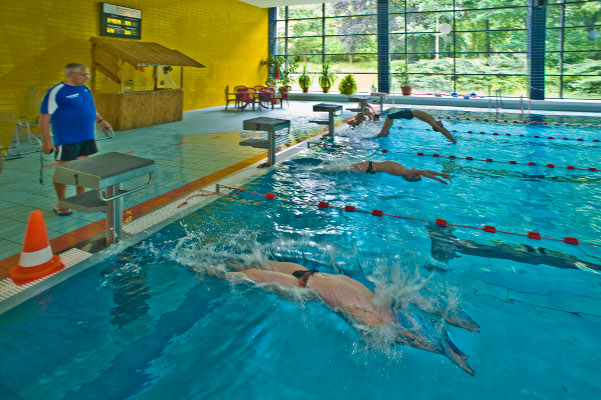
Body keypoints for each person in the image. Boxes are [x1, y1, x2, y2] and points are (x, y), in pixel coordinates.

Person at [206, 259, 476, 375]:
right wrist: (450, 320)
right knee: (255, 267)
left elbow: (402, 337)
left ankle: (206, 269)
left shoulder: (373, 318)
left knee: (249, 276)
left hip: (303, 286)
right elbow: (415, 302)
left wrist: (445, 352)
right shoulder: (384, 303)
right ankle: (226, 265)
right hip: (306, 274)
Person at [40, 63, 112, 216]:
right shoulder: (57, 91)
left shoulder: (85, 88)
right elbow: (44, 117)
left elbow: (91, 106)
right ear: (72, 75)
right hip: (67, 139)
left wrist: (101, 120)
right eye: (84, 75)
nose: (87, 77)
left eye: (87, 75)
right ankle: (60, 202)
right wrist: (46, 141)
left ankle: (81, 195)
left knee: (82, 168)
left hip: (86, 136)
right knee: (63, 171)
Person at [377, 108, 456, 143]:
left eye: (441, 124)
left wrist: (452, 139)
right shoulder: (432, 120)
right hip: (409, 113)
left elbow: (443, 131)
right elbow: (443, 130)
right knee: (391, 119)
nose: (441, 122)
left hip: (409, 113)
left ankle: (381, 133)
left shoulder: (433, 123)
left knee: (389, 117)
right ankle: (386, 131)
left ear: (438, 126)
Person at [349, 160, 452, 184]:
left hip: (368, 167)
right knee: (342, 169)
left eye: (416, 173)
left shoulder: (404, 171)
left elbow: (424, 172)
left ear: (410, 176)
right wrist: (441, 174)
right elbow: (425, 171)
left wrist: (439, 178)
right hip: (370, 168)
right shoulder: (403, 170)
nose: (416, 170)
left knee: (338, 169)